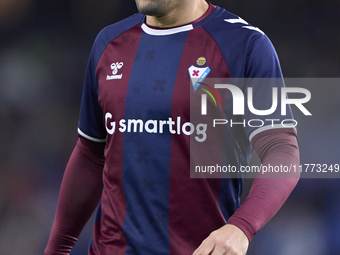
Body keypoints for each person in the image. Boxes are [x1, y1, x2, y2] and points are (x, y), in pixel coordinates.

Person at [45, 0, 300, 254]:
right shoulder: (109, 42)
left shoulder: (244, 44)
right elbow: (91, 153)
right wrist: (56, 250)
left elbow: (282, 152)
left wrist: (242, 227)